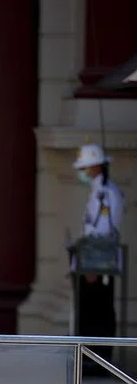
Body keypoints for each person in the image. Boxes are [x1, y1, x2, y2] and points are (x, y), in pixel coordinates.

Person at [71, 144, 124, 370]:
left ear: (96, 166)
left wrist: (93, 265)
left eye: (86, 167)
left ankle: (98, 359)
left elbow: (102, 231)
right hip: (90, 259)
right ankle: (90, 357)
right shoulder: (99, 191)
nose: (84, 171)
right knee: (89, 310)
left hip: (98, 262)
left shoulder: (106, 192)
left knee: (98, 311)